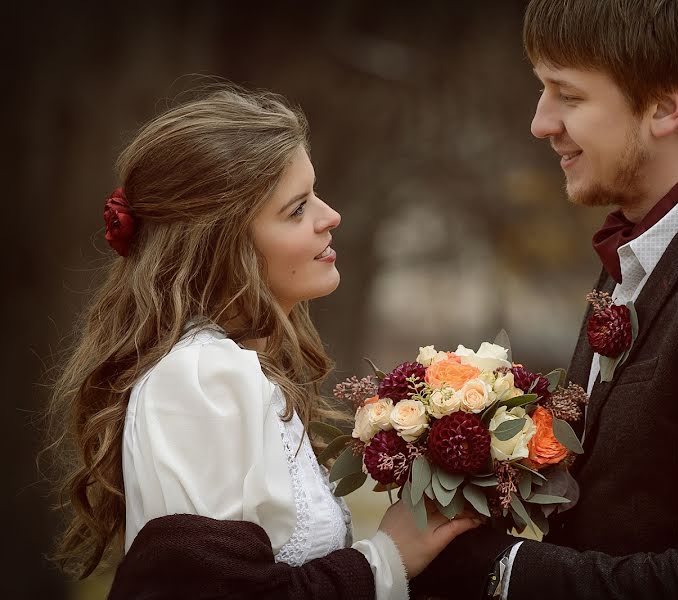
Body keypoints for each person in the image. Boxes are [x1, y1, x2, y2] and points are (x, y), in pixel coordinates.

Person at [412, 1, 678, 598]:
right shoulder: (644, 246)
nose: (541, 122)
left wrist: (499, 569)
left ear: (664, 106)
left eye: (569, 95)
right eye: (543, 90)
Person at [47, 85, 481, 600]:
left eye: (314, 194)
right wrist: (387, 557)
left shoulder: (234, 370)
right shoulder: (200, 377)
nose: (329, 216)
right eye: (297, 209)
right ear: (223, 245)